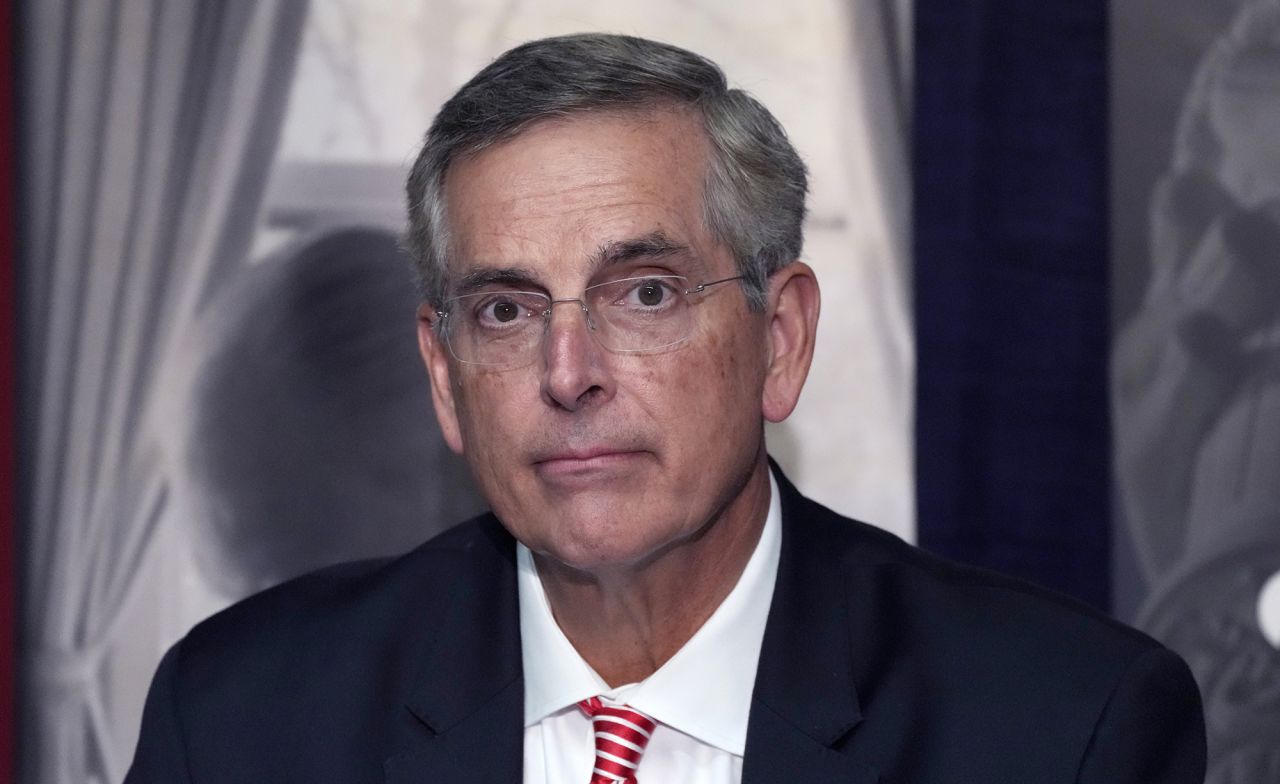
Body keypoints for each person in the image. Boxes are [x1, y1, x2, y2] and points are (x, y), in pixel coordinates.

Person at [125, 33, 1205, 783]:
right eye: (504, 309)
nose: (569, 369)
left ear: (777, 342)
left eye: (643, 292)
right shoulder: (236, 725)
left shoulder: (1066, 733)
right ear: (447, 376)